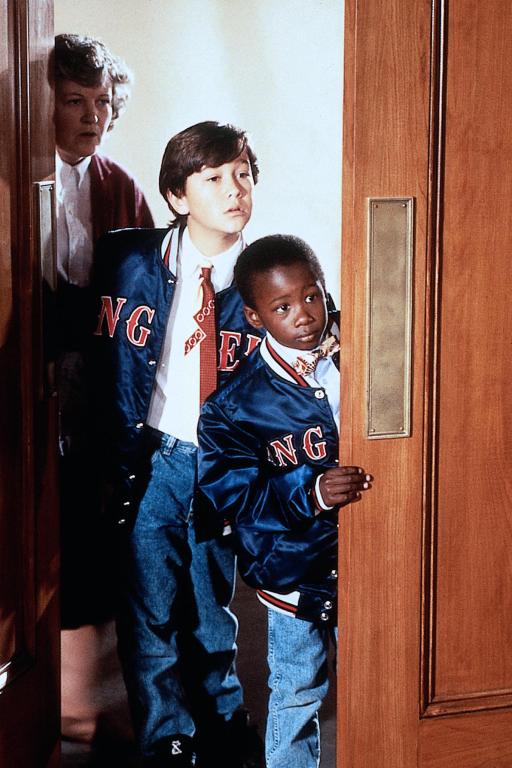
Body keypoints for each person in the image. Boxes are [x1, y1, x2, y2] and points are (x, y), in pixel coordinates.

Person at [91, 121, 264, 767]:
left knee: (211, 609)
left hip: (221, 467)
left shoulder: (266, 278)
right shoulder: (128, 261)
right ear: (176, 195)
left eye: (242, 174)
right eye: (213, 178)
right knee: (150, 610)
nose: (234, 189)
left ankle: (223, 722)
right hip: (152, 460)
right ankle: (168, 737)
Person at [197, 234, 372, 768]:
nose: (304, 315)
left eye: (312, 296)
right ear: (254, 318)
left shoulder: (364, 355)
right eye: (283, 307)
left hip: (367, 561)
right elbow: (235, 499)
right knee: (297, 693)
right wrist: (310, 493)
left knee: (376, 686)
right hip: (292, 574)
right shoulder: (233, 406)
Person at [51, 33, 154, 742]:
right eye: (74, 101)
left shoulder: (119, 185)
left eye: (102, 103)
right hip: (29, 374)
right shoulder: (18, 175)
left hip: (94, 384)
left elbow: (139, 291)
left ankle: (83, 701)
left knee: (94, 527)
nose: (92, 116)